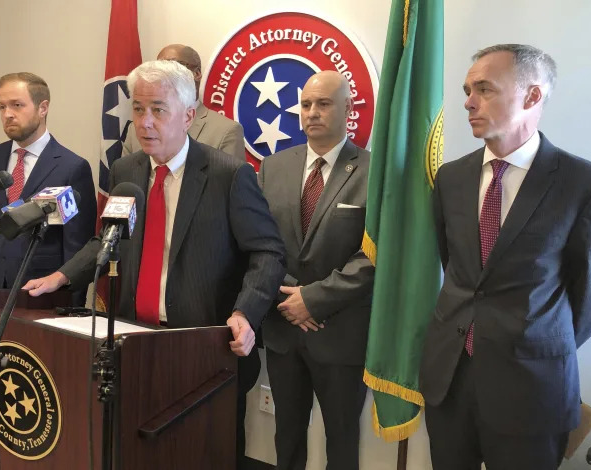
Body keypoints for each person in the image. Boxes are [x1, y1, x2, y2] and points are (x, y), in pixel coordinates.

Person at [22, 60, 285, 468]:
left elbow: (267, 252)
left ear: (188, 115)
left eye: (158, 110)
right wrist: (60, 275)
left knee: (206, 453)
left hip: (204, 344)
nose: (145, 122)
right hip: (137, 338)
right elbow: (107, 239)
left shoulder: (227, 175)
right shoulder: (127, 171)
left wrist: (245, 313)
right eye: (138, 110)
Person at [420, 44, 591, 470]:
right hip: (450, 378)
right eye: (467, 89)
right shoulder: (451, 177)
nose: (468, 101)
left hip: (533, 387)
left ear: (532, 96)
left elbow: (588, 291)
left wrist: (535, 341)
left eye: (484, 89)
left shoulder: (581, 182)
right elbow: (458, 269)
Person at [258, 71, 374, 470]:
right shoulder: (272, 168)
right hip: (283, 327)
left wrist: (315, 299)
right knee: (286, 435)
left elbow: (374, 254)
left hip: (341, 334)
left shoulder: (374, 173)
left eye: (323, 104)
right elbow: (259, 243)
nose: (312, 113)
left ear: (348, 109)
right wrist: (291, 296)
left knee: (342, 441)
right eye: (306, 104)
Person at [0, 72, 97, 304]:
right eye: (1, 107)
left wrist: (71, 305)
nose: (7, 114)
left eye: (17, 105)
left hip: (44, 295)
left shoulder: (72, 167)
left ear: (43, 108)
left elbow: (77, 245)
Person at [122, 44, 245, 161]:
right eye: (159, 68)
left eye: (174, 66)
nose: (164, 74)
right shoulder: (135, 130)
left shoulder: (225, 131)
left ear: (196, 74)